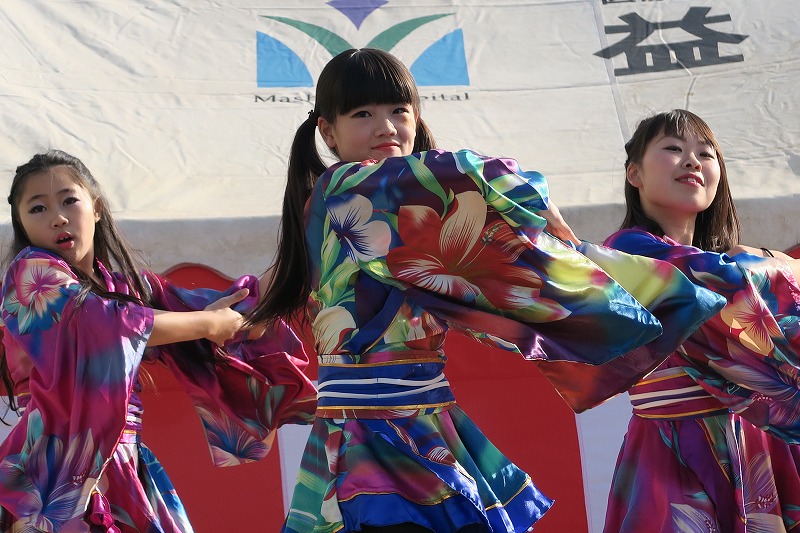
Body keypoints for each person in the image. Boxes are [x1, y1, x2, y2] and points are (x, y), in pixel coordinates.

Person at [249, 49, 726, 533]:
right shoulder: (349, 188)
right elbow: (468, 178)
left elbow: (487, 283)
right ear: (328, 133)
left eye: (399, 111)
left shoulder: (398, 212)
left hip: (422, 421)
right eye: (363, 114)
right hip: (369, 434)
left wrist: (564, 271)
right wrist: (538, 213)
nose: (386, 126)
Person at [0, 150, 317, 531]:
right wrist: (205, 322)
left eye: (70, 199)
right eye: (38, 209)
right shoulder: (31, 277)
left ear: (96, 208)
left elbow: (215, 310)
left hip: (123, 466)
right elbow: (105, 325)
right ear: (20, 223)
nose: (58, 217)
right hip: (52, 476)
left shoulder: (123, 289)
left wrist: (310, 236)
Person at [602, 109, 800, 532]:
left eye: (706, 154)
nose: (693, 161)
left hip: (752, 443)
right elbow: (724, 281)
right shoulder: (630, 252)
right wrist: (780, 263)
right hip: (675, 444)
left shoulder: (727, 259)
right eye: (673, 149)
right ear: (634, 173)